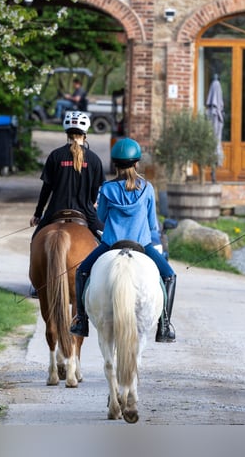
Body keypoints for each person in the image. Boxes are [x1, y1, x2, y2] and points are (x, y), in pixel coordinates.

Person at [69, 138, 177, 343]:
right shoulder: (147, 188)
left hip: (110, 244)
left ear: (116, 164)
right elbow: (153, 224)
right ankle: (164, 325)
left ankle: (81, 320)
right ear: (136, 163)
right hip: (142, 246)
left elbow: (100, 217)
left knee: (82, 271)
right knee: (170, 276)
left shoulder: (107, 189)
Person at [30, 111, 104, 241]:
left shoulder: (55, 156)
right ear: (85, 134)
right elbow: (94, 191)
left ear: (67, 133)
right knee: (107, 242)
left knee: (35, 240)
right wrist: (92, 202)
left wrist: (38, 214)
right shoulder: (94, 160)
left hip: (55, 210)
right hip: (86, 212)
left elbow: (46, 190)